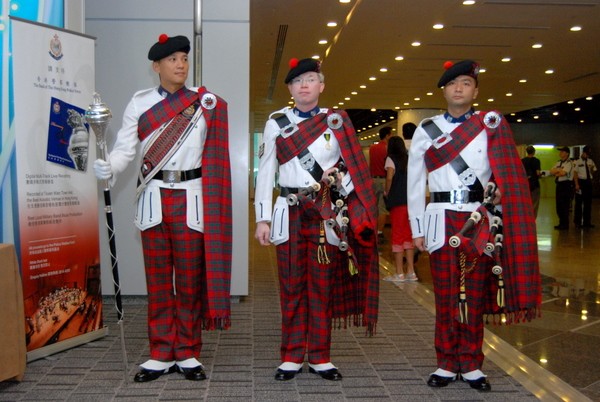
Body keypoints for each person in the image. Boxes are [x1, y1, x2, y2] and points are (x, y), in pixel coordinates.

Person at [93, 34, 232, 383]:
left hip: (191, 197)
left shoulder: (204, 102)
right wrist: (109, 165)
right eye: (172, 60)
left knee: (188, 280)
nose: (181, 64)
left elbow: (214, 156)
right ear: (157, 67)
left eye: (184, 58)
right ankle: (160, 351)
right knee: (157, 281)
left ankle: (186, 350)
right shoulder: (140, 103)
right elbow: (126, 149)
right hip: (154, 197)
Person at [407, 60, 541, 392]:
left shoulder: (489, 125)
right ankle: (445, 362)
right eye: (452, 83)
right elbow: (414, 182)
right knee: (445, 295)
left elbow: (505, 175)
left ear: (475, 90)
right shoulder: (427, 128)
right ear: (444, 90)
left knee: (475, 294)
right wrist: (417, 227)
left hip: (477, 218)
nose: (458, 88)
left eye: (466, 83)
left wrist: (498, 203)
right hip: (440, 219)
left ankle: (471, 364)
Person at [254, 57, 379, 382]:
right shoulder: (276, 122)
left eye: (311, 79)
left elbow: (354, 167)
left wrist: (339, 182)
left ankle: (321, 356)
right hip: (289, 210)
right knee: (291, 285)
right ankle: (292, 356)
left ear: (321, 86)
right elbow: (266, 172)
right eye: (298, 81)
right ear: (291, 88)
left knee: (322, 287)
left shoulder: (336, 121)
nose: (305, 85)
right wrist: (262, 218)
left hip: (325, 213)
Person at [382, 136, 417, 283]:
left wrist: (387, 191)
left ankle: (399, 273)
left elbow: (389, 178)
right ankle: (411, 272)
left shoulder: (391, 159)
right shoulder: (408, 159)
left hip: (397, 201)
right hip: (410, 201)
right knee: (408, 235)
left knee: (397, 235)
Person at [369, 126, 393, 242]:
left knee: (373, 207)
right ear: (387, 135)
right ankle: (379, 232)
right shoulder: (388, 148)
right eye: (391, 134)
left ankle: (372, 229)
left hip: (373, 180)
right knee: (382, 207)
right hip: (384, 180)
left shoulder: (372, 148)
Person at [549, 146, 574, 230]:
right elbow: (551, 171)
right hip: (559, 185)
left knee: (564, 205)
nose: (560, 153)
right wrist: (557, 171)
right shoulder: (558, 162)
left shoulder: (569, 163)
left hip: (566, 185)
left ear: (567, 153)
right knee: (559, 205)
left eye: (562, 151)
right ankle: (561, 223)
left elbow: (563, 173)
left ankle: (565, 224)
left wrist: (557, 171)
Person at [573, 145, 597, 228]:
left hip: (588, 183)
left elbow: (593, 172)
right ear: (582, 153)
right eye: (585, 153)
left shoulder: (590, 161)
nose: (587, 155)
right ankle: (577, 222)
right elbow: (575, 174)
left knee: (588, 203)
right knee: (578, 203)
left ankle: (587, 222)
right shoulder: (577, 162)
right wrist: (576, 184)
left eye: (588, 154)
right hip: (580, 182)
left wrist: (591, 170)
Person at [521, 145, 542, 218]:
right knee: (534, 203)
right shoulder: (536, 161)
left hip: (525, 185)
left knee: (525, 203)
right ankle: (532, 219)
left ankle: (525, 218)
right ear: (534, 152)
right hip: (534, 184)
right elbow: (538, 173)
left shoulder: (522, 161)